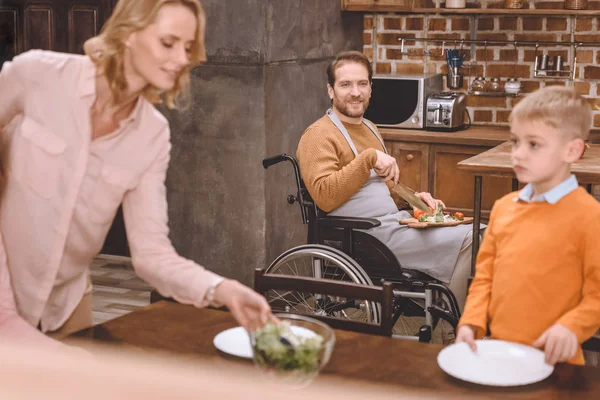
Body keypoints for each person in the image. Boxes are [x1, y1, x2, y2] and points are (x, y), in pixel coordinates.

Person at [0, 0, 272, 349]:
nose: (181, 59)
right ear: (128, 32)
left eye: (188, 48)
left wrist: (222, 288)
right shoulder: (36, 74)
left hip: (65, 306)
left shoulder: (152, 135)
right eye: (168, 42)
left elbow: (151, 254)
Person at [296, 51, 476, 313]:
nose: (355, 92)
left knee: (481, 232)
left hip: (393, 225)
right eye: (345, 84)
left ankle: (454, 314)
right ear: (330, 90)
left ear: (371, 88)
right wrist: (368, 158)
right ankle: (458, 328)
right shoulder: (318, 135)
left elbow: (386, 188)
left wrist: (415, 200)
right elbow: (324, 196)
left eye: (362, 84)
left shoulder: (369, 127)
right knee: (471, 239)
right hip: (363, 238)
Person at [456, 86, 600, 366]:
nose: (518, 154)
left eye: (533, 144)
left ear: (572, 150)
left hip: (559, 364)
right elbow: (484, 278)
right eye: (515, 142)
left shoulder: (589, 216)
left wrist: (571, 326)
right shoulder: (503, 208)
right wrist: (471, 322)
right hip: (500, 355)